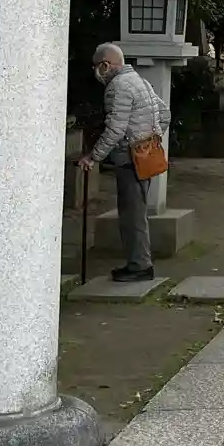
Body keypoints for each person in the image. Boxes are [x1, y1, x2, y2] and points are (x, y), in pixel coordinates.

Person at [78, 42, 170, 280]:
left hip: (130, 159)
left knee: (132, 216)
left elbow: (115, 129)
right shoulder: (140, 81)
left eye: (97, 66)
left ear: (105, 65)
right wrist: (150, 140)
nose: (96, 72)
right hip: (146, 157)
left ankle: (140, 266)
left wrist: (93, 156)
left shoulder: (117, 86)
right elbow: (164, 114)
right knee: (137, 213)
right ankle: (139, 263)